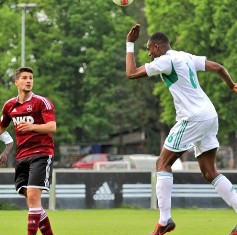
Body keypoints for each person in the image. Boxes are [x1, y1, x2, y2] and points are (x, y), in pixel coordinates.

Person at [126, 23, 237, 235]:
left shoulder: (165, 60)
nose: (149, 54)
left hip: (193, 117)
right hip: (210, 115)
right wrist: (231, 85)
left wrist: (130, 44)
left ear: (157, 47)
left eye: (149, 49)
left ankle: (164, 221)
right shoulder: (186, 56)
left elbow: (131, 73)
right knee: (209, 172)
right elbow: (218, 67)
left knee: (162, 163)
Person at [0, 67, 56, 235]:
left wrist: (32, 126)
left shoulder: (41, 102)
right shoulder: (9, 105)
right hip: (22, 156)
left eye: (31, 78)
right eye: (24, 77)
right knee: (33, 202)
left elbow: (52, 127)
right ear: (16, 82)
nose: (29, 80)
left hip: (41, 153)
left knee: (33, 197)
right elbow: (2, 127)